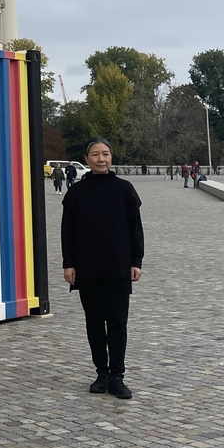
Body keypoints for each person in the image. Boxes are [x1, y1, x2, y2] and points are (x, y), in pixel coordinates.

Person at [61, 137, 144, 401]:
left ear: (111, 157)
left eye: (105, 154)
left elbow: (135, 230)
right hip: (87, 267)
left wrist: (136, 262)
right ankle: (102, 374)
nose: (100, 159)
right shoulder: (76, 193)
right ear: (86, 159)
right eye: (95, 154)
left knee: (118, 323)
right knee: (94, 322)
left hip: (119, 266)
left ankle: (118, 376)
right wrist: (68, 263)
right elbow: (67, 232)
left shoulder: (125, 190)